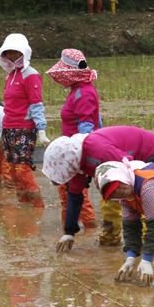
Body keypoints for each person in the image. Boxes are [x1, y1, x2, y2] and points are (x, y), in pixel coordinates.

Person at [41, 126, 154, 253]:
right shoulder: (77, 164)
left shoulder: (99, 150)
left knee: (141, 198)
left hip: (148, 151)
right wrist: (69, 232)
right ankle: (111, 239)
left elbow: (130, 168)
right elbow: (74, 196)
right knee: (110, 197)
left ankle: (146, 244)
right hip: (121, 161)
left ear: (69, 163)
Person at [46, 48, 104, 243]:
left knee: (70, 192)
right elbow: (98, 121)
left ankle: (85, 230)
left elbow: (87, 128)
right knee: (71, 192)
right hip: (71, 151)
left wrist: (80, 160)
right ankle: (74, 230)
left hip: (75, 152)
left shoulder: (83, 93)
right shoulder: (79, 90)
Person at [0, 33, 48, 207]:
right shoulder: (11, 75)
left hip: (24, 127)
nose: (12, 56)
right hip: (8, 128)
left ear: (24, 52)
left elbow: (36, 104)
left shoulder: (31, 75)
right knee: (12, 168)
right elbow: (8, 107)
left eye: (15, 52)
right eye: (8, 52)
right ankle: (24, 206)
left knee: (22, 167)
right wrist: (1, 132)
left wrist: (42, 131)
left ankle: (38, 206)